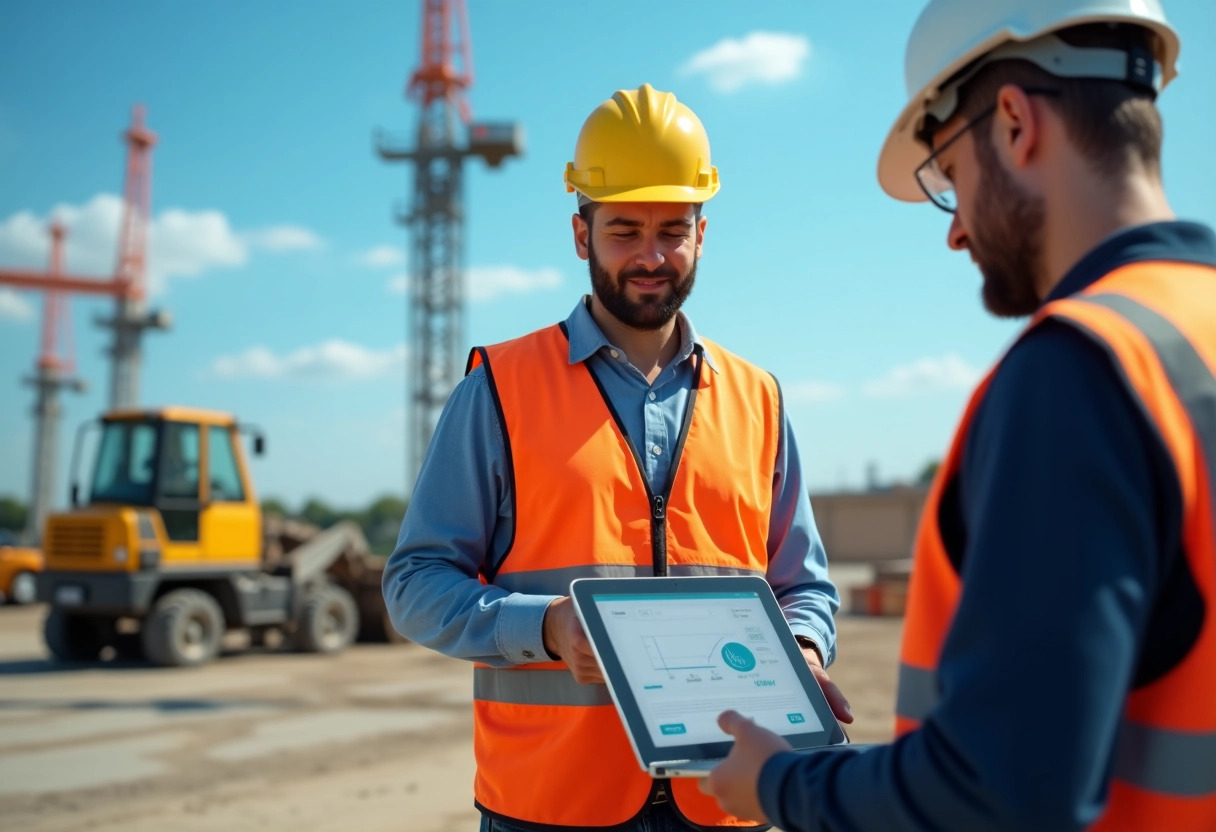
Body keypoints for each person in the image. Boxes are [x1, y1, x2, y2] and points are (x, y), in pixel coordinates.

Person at [701, 1, 1216, 830]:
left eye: (947, 174)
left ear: (1013, 123)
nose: (954, 232)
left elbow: (1000, 791)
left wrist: (781, 783)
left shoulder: (1083, 371)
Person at [382, 83, 851, 831]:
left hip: (728, 798)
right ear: (580, 234)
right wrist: (543, 626)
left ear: (703, 234)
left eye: (673, 229)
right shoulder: (498, 390)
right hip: (552, 805)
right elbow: (414, 582)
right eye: (624, 229)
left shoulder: (759, 398)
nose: (651, 255)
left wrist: (799, 650)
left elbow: (805, 586)